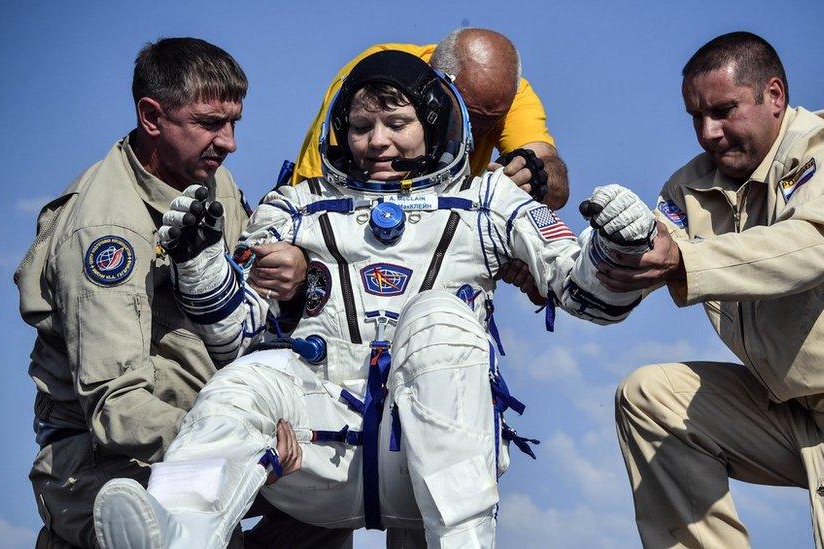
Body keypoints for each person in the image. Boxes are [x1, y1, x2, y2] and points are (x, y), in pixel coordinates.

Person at [93, 50, 640, 549]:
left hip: (427, 453)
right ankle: (175, 527)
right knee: (244, 383)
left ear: (432, 127)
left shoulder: (489, 201)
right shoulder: (294, 207)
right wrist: (199, 260)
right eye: (361, 126)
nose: (377, 141)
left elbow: (583, 292)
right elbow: (235, 333)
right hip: (317, 449)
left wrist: (617, 247)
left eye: (397, 124)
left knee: (438, 319)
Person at [594, 31, 824, 548]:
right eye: (695, 116)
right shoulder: (691, 188)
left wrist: (683, 259)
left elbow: (815, 244)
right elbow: (642, 259)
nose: (708, 132)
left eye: (723, 110)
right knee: (650, 396)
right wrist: (589, 260)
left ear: (775, 96)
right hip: (788, 406)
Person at [14, 37, 306, 548]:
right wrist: (239, 442)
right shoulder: (107, 235)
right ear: (152, 117)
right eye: (211, 123)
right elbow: (116, 407)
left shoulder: (206, 180)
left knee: (331, 502)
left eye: (234, 121)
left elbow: (245, 297)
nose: (230, 141)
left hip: (196, 444)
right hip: (108, 472)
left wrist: (297, 275)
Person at [293, 28, 569, 213]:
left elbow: (552, 178)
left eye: (487, 125)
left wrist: (535, 177)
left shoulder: (511, 95)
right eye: (465, 116)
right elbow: (318, 197)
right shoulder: (372, 78)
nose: (472, 134)